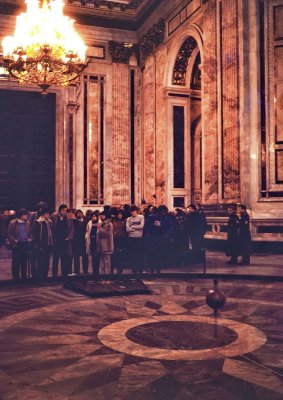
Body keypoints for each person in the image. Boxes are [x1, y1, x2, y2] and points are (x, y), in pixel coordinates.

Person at [144, 205, 174, 274]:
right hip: (153, 238)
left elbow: (170, 228)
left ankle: (158, 269)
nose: (163, 213)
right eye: (162, 211)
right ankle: (152, 269)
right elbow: (147, 226)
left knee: (159, 255)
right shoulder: (151, 217)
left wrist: (167, 235)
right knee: (152, 254)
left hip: (161, 238)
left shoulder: (167, 218)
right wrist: (148, 233)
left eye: (164, 212)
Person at [7, 208, 32, 280]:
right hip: (17, 245)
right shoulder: (13, 222)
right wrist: (14, 240)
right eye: (25, 215)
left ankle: (24, 276)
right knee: (16, 261)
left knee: (24, 261)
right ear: (21, 215)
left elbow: (30, 233)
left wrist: (30, 238)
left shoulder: (27, 223)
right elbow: (9, 233)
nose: (26, 216)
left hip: (25, 244)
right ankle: (16, 276)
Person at [51, 204, 74, 277]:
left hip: (65, 241)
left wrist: (69, 237)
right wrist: (52, 238)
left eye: (66, 210)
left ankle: (64, 273)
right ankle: (54, 274)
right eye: (63, 210)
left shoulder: (68, 218)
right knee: (55, 258)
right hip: (56, 241)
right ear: (59, 211)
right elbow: (51, 228)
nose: (64, 212)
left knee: (64, 257)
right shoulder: (54, 217)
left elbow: (71, 229)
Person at [33, 207, 53, 281]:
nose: (48, 214)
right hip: (41, 244)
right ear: (43, 214)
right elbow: (36, 235)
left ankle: (45, 275)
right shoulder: (38, 222)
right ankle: (39, 276)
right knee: (40, 261)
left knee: (47, 260)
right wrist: (38, 244)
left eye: (48, 213)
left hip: (48, 244)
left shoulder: (49, 222)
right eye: (47, 213)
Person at [126, 205, 144, 274]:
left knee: (139, 255)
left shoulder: (141, 217)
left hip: (139, 238)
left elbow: (141, 226)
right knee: (132, 255)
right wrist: (137, 227)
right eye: (131, 211)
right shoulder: (128, 219)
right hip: (131, 238)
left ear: (136, 211)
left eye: (133, 211)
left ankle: (140, 269)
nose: (132, 213)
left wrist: (132, 227)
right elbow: (127, 229)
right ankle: (134, 270)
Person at [72, 210, 88, 274]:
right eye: (78, 213)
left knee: (85, 256)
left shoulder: (85, 222)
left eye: (80, 213)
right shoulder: (74, 221)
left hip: (83, 241)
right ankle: (76, 270)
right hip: (76, 241)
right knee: (76, 257)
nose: (79, 214)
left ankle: (85, 270)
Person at [85, 212, 100, 276]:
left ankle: (97, 271)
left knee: (97, 256)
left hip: (98, 241)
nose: (93, 217)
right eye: (92, 216)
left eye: (95, 216)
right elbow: (87, 231)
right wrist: (86, 237)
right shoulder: (89, 223)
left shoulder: (100, 222)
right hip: (91, 241)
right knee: (93, 256)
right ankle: (94, 271)